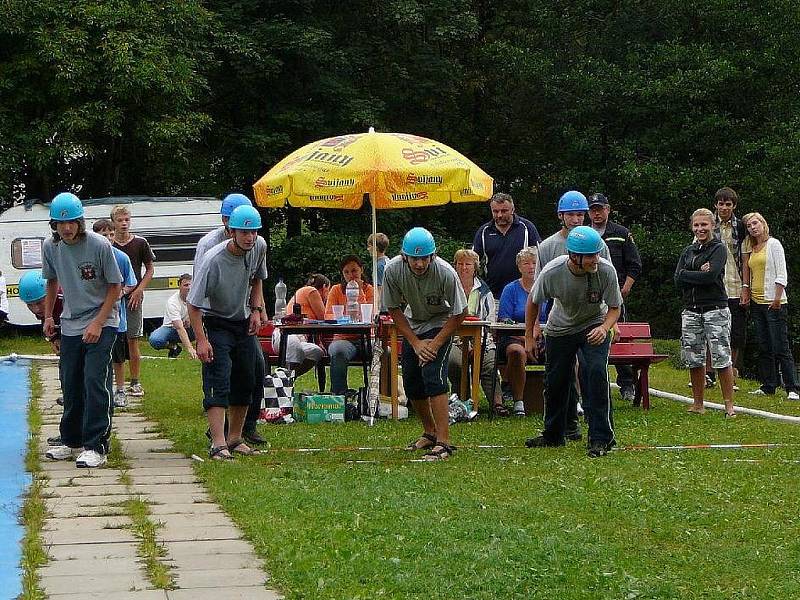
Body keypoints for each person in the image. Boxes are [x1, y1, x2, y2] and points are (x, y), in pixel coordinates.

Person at [525, 226, 621, 457]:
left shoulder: (606, 271)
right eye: (589, 256)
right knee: (556, 380)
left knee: (596, 372)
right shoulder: (552, 271)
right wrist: (530, 335)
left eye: (596, 254)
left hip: (594, 324)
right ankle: (553, 434)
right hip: (560, 327)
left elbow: (615, 307)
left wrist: (604, 327)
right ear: (573, 256)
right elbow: (533, 301)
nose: (595, 259)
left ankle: (601, 438)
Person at [42, 193, 123, 468]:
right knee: (70, 382)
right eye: (61, 224)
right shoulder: (50, 247)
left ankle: (96, 445)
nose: (66, 229)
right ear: (54, 225)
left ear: (80, 222)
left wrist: (98, 322)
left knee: (94, 380)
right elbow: (51, 281)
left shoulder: (99, 245)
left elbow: (116, 287)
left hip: (103, 319)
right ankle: (71, 439)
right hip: (71, 322)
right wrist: (49, 316)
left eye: (71, 223)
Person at [188, 205, 268, 460]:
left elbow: (257, 278)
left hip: (242, 319)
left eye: (253, 232)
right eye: (244, 232)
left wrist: (256, 309)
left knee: (247, 377)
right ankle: (218, 443)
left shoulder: (259, 248)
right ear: (230, 230)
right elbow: (193, 303)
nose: (250, 237)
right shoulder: (212, 259)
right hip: (215, 321)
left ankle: (235, 438)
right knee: (218, 379)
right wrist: (201, 340)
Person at [383, 227, 467, 460]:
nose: (419, 264)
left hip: (442, 321)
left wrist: (436, 343)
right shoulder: (392, 270)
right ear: (404, 256)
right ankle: (429, 432)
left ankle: (444, 440)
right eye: (414, 258)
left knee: (434, 376)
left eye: (424, 258)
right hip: (414, 324)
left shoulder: (445, 272)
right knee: (411, 380)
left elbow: (460, 312)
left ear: (433, 256)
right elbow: (393, 308)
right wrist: (416, 343)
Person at [535, 191, 611, 438]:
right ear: (561, 216)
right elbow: (536, 294)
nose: (577, 219)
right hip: (561, 321)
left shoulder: (599, 249)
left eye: (581, 214)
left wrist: (609, 326)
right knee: (557, 378)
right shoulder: (548, 250)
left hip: (594, 318)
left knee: (594, 371)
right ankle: (560, 430)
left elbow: (611, 294)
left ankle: (600, 433)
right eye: (572, 214)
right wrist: (533, 329)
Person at [674, 208, 737, 416]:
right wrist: (696, 272)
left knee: (721, 356)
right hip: (691, 310)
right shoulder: (687, 251)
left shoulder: (719, 249)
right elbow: (677, 279)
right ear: (692, 227)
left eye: (704, 225)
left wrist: (688, 273)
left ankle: (729, 406)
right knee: (694, 358)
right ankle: (698, 403)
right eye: (697, 225)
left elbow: (710, 277)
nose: (700, 229)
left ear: (712, 226)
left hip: (715, 309)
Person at [588, 193, 642, 401]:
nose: (596, 213)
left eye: (600, 209)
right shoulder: (582, 234)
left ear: (608, 209)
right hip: (588, 294)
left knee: (620, 338)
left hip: (614, 295)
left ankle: (627, 383)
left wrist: (624, 289)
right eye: (593, 209)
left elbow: (635, 265)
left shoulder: (621, 233)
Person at [741, 212, 799, 400]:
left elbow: (782, 273)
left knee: (780, 345)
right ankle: (768, 385)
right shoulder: (753, 247)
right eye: (749, 226)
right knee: (764, 345)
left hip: (774, 302)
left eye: (755, 223)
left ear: (763, 223)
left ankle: (792, 387)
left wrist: (776, 297)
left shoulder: (774, 244)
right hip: (758, 303)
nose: (753, 228)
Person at [93, 219, 139, 408]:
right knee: (98, 358)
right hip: (93, 317)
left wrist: (119, 294)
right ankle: (101, 391)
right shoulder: (92, 256)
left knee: (118, 358)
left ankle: (120, 390)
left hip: (117, 319)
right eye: (104, 235)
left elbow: (131, 282)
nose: (109, 238)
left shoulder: (121, 257)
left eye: (111, 235)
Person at [447, 248, 499, 410]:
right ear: (455, 266)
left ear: (475, 267)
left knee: (489, 364)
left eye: (468, 264)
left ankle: (497, 404)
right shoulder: (448, 287)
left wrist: (477, 343)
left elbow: (490, 322)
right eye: (460, 264)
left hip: (482, 340)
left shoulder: (484, 291)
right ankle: (461, 400)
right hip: (454, 340)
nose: (464, 267)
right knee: (454, 362)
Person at [112, 204, 155, 398]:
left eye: (127, 220)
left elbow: (150, 269)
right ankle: (117, 382)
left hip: (133, 297)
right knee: (115, 341)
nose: (124, 224)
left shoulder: (140, 243)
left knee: (133, 339)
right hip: (113, 297)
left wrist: (139, 289)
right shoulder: (109, 246)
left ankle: (135, 381)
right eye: (120, 220)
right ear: (113, 223)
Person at [496, 247, 542, 417]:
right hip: (514, 337)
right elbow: (504, 321)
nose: (531, 267)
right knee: (516, 352)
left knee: (567, 351)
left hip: (544, 336)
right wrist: (526, 338)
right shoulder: (510, 289)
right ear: (519, 267)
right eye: (526, 263)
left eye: (534, 263)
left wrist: (537, 336)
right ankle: (518, 401)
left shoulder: (546, 286)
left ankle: (573, 400)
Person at [712, 187, 749, 390]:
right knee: (712, 328)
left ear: (733, 206)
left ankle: (732, 372)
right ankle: (709, 373)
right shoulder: (709, 223)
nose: (724, 207)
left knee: (736, 332)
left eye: (728, 204)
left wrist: (746, 286)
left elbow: (746, 256)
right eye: (721, 203)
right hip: (716, 284)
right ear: (716, 205)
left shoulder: (741, 226)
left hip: (736, 283)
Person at [473, 192, 541, 299]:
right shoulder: (484, 231)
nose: (500, 215)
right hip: (493, 295)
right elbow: (473, 262)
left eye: (504, 211)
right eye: (496, 211)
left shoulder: (527, 228)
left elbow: (540, 258)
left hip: (524, 294)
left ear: (513, 210)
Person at [325, 255, 374, 394]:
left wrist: (359, 293)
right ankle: (340, 395)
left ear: (361, 270)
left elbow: (369, 314)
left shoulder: (369, 289)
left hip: (366, 339)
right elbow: (328, 315)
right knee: (338, 350)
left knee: (385, 352)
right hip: (343, 338)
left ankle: (383, 394)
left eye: (354, 271)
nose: (351, 275)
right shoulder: (336, 290)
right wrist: (343, 317)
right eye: (346, 272)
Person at [272, 273, 329, 376]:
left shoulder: (302, 291)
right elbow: (324, 318)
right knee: (295, 346)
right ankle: (283, 380)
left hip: (298, 338)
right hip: (286, 336)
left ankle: (288, 378)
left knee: (316, 352)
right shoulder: (311, 290)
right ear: (325, 287)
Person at [194, 193, 253, 270]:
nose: (243, 225)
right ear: (225, 220)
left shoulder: (256, 243)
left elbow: (257, 279)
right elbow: (199, 280)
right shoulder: (208, 245)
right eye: (237, 220)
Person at [149, 273, 197, 359]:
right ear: (179, 286)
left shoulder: (197, 299)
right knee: (155, 339)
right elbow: (179, 328)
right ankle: (174, 347)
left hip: (191, 329)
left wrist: (191, 319)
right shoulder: (172, 302)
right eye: (186, 285)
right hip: (171, 329)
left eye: (191, 285)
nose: (189, 288)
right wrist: (190, 349)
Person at [367, 232, 390, 301]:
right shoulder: (388, 261)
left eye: (369, 246)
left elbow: (379, 290)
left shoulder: (378, 266)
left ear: (375, 248)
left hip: (383, 306)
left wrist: (377, 308)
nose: (368, 249)